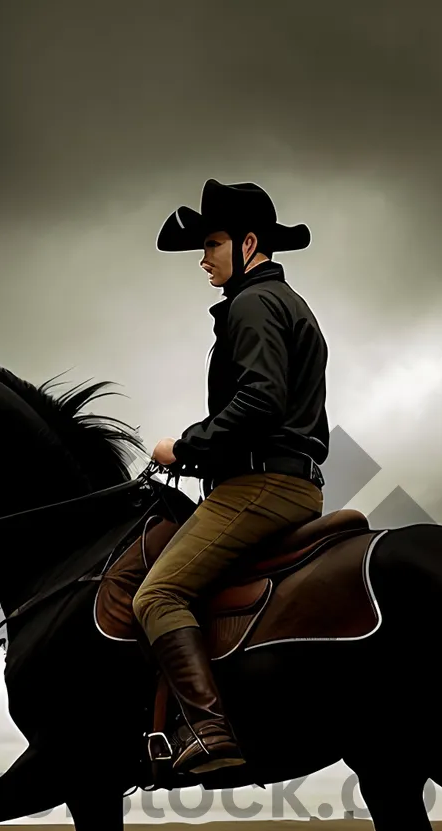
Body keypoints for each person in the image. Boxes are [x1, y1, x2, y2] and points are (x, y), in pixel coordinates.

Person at [132, 179, 330, 775]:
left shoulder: (251, 304)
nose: (204, 257)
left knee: (157, 593)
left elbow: (261, 403)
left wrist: (181, 447)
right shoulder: (291, 305)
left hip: (260, 486)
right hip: (296, 481)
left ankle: (210, 730)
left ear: (249, 244)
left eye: (213, 243)